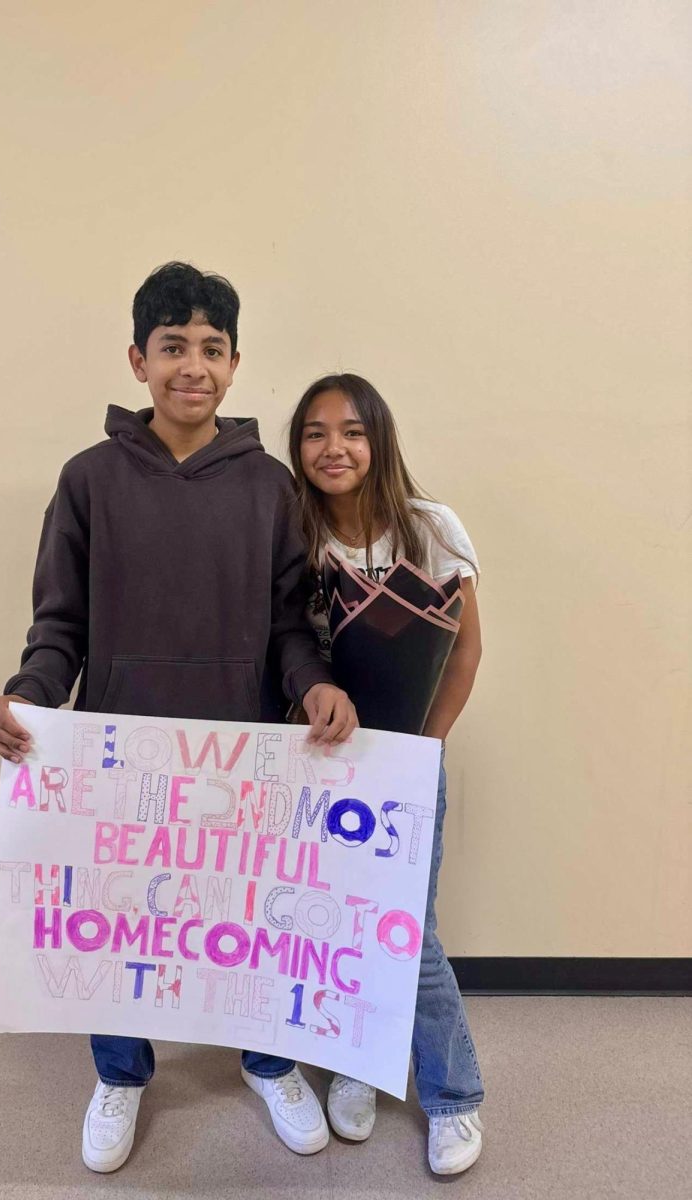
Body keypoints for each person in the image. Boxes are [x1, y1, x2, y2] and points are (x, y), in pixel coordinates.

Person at [0, 263, 358, 1173]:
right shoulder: (88, 480)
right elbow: (59, 624)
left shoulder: (270, 487)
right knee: (122, 921)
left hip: (243, 753)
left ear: (234, 365)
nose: (193, 365)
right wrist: (29, 694)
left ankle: (271, 1061)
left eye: (211, 349)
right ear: (137, 359)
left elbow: (287, 626)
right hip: (122, 755)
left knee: (246, 915)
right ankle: (120, 1073)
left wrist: (313, 683)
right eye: (173, 347)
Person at [287, 372, 485, 1176]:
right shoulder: (294, 538)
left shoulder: (431, 527)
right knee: (333, 922)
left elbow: (466, 652)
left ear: (379, 440)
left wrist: (426, 747)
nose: (334, 449)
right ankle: (358, 1070)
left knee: (408, 933)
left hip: (406, 762)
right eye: (314, 434)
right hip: (320, 768)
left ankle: (454, 1098)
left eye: (352, 431)